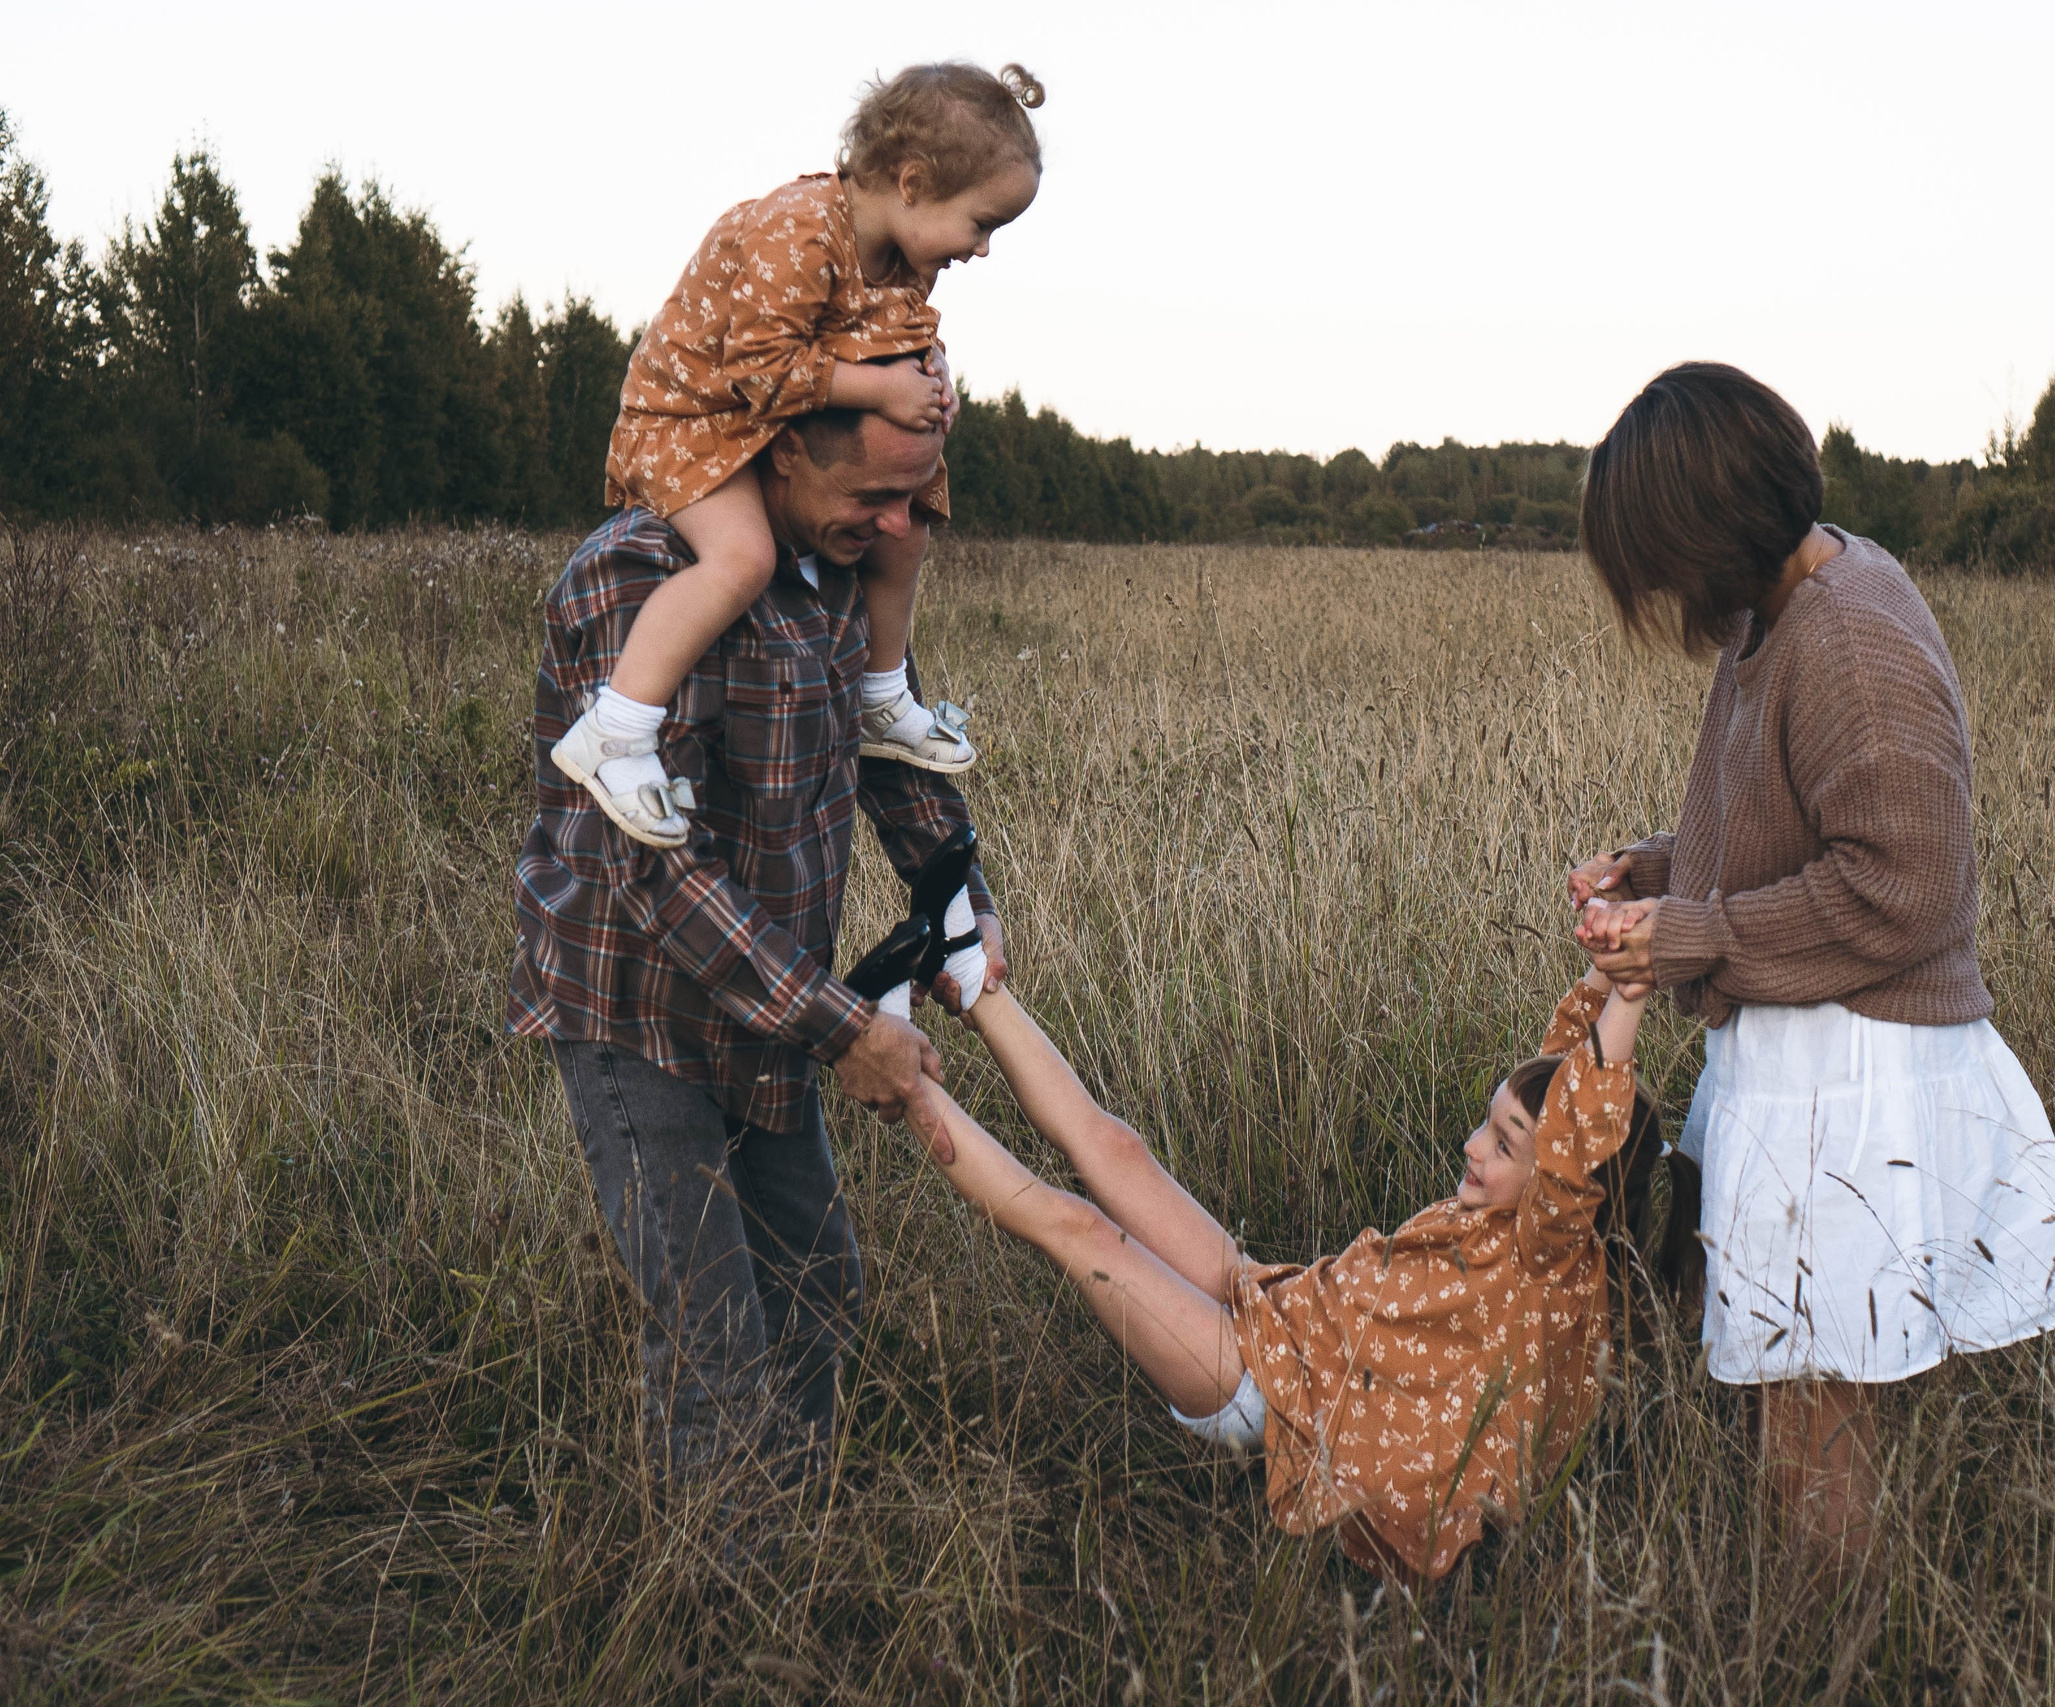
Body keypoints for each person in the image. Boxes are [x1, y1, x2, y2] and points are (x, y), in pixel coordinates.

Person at [1568, 362, 2055, 1570]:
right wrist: (1663, 870)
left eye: (1655, 559)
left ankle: (1826, 1655)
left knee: (1816, 1418)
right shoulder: (1781, 613)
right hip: (1807, 1058)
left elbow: (1905, 887)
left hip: (1859, 1082)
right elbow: (1785, 819)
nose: (1655, 592)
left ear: (1708, 533)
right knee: (1798, 1397)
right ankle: (1827, 1635)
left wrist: (1700, 934)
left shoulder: (1849, 635)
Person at [508, 401, 1005, 1488]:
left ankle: (794, 1561)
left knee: (816, 1286)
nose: (890, 526)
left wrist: (960, 905)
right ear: (784, 451)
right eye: (868, 496)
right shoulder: (639, 580)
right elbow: (654, 871)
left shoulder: (838, 571)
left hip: (768, 1007)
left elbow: (889, 745)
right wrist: (843, 1032)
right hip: (635, 1008)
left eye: (908, 502)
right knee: (712, 1349)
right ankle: (717, 1629)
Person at [902, 963, 1689, 1581]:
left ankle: (898, 1071)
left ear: (1566, 1184)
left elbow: (1581, 1125)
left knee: (1081, 1231)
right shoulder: (1523, 1216)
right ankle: (967, 974)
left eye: (1503, 1143)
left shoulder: (1548, 1262)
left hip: (1269, 1397)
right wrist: (1602, 968)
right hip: (1272, 1302)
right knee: (1117, 1148)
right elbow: (1569, 1077)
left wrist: (1633, 990)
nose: (1473, 1146)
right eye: (1487, 1121)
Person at [550, 61, 1047, 849]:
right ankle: (615, 729)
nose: (982, 250)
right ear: (912, 184)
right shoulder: (799, 229)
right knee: (742, 557)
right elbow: (758, 373)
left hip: (765, 421)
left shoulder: (897, 259)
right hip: (692, 420)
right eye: (981, 224)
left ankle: (883, 696)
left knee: (909, 521)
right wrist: (885, 395)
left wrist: (934, 375)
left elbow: (898, 335)